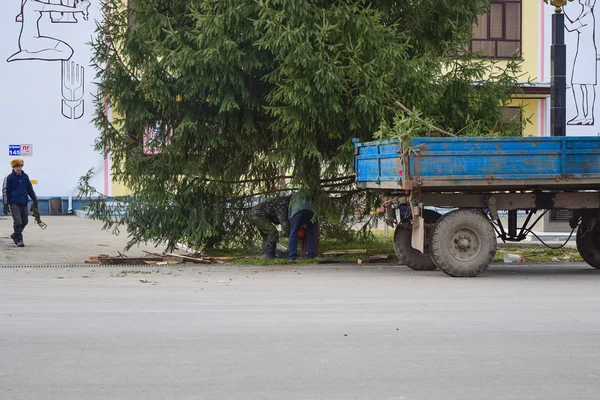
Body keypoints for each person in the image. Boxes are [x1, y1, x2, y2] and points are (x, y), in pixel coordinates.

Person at [3, 158, 38, 247]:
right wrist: (5, 204)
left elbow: (30, 189)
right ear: (13, 167)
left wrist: (35, 199)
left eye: (20, 166)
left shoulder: (25, 177)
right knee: (18, 221)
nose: (18, 168)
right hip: (14, 202)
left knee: (25, 221)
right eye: (16, 167)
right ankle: (19, 239)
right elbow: (5, 191)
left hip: (23, 202)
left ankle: (15, 234)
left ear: (22, 166)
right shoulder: (9, 178)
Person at [288, 192, 317, 261]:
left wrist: (291, 220)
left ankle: (292, 257)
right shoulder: (310, 194)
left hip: (297, 212)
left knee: (293, 232)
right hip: (310, 212)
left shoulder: (293, 196)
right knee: (311, 232)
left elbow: (290, 210)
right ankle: (310, 256)